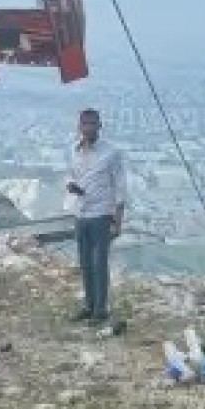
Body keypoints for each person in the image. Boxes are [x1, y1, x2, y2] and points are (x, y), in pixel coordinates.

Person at [65, 109, 127, 325]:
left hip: (101, 214)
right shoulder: (74, 150)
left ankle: (100, 309)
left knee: (99, 263)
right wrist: (72, 187)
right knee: (84, 263)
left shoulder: (111, 153)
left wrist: (117, 220)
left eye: (93, 124)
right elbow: (72, 175)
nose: (89, 128)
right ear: (79, 127)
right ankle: (89, 305)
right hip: (81, 213)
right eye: (85, 124)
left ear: (100, 126)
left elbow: (120, 187)